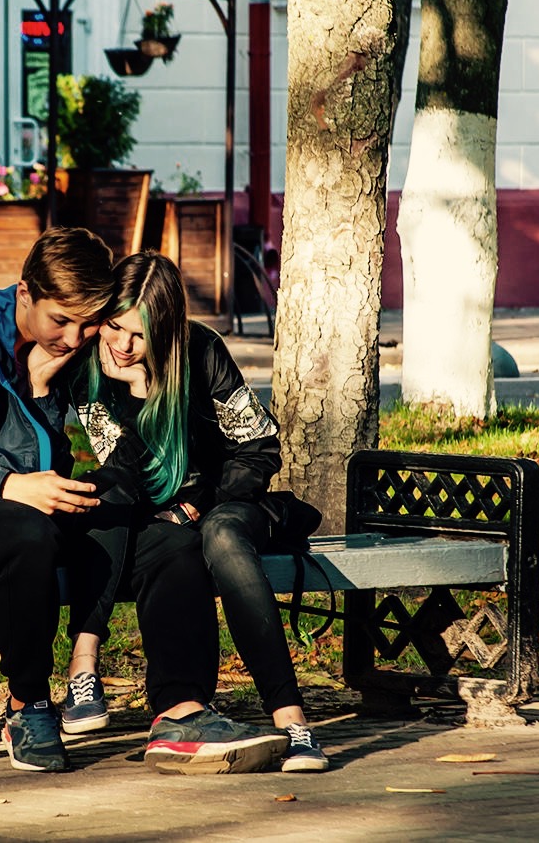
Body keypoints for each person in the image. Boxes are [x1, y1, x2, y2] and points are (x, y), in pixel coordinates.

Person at [0, 227, 282, 775]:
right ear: (24, 294)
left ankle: (181, 710)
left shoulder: (58, 355)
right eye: (60, 319)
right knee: (25, 534)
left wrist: (51, 391)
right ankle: (28, 706)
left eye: (88, 321)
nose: (76, 335)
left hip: (22, 508)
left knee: (164, 540)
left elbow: (83, 463)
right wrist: (10, 485)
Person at [61, 250, 328, 772]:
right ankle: (97, 674)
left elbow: (257, 447)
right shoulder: (95, 373)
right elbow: (123, 473)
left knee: (221, 536)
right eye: (114, 327)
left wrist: (199, 504)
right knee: (128, 510)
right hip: (155, 521)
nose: (122, 344)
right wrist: (136, 393)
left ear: (165, 331)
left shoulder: (202, 350)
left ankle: (293, 723)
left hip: (231, 504)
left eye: (139, 336)